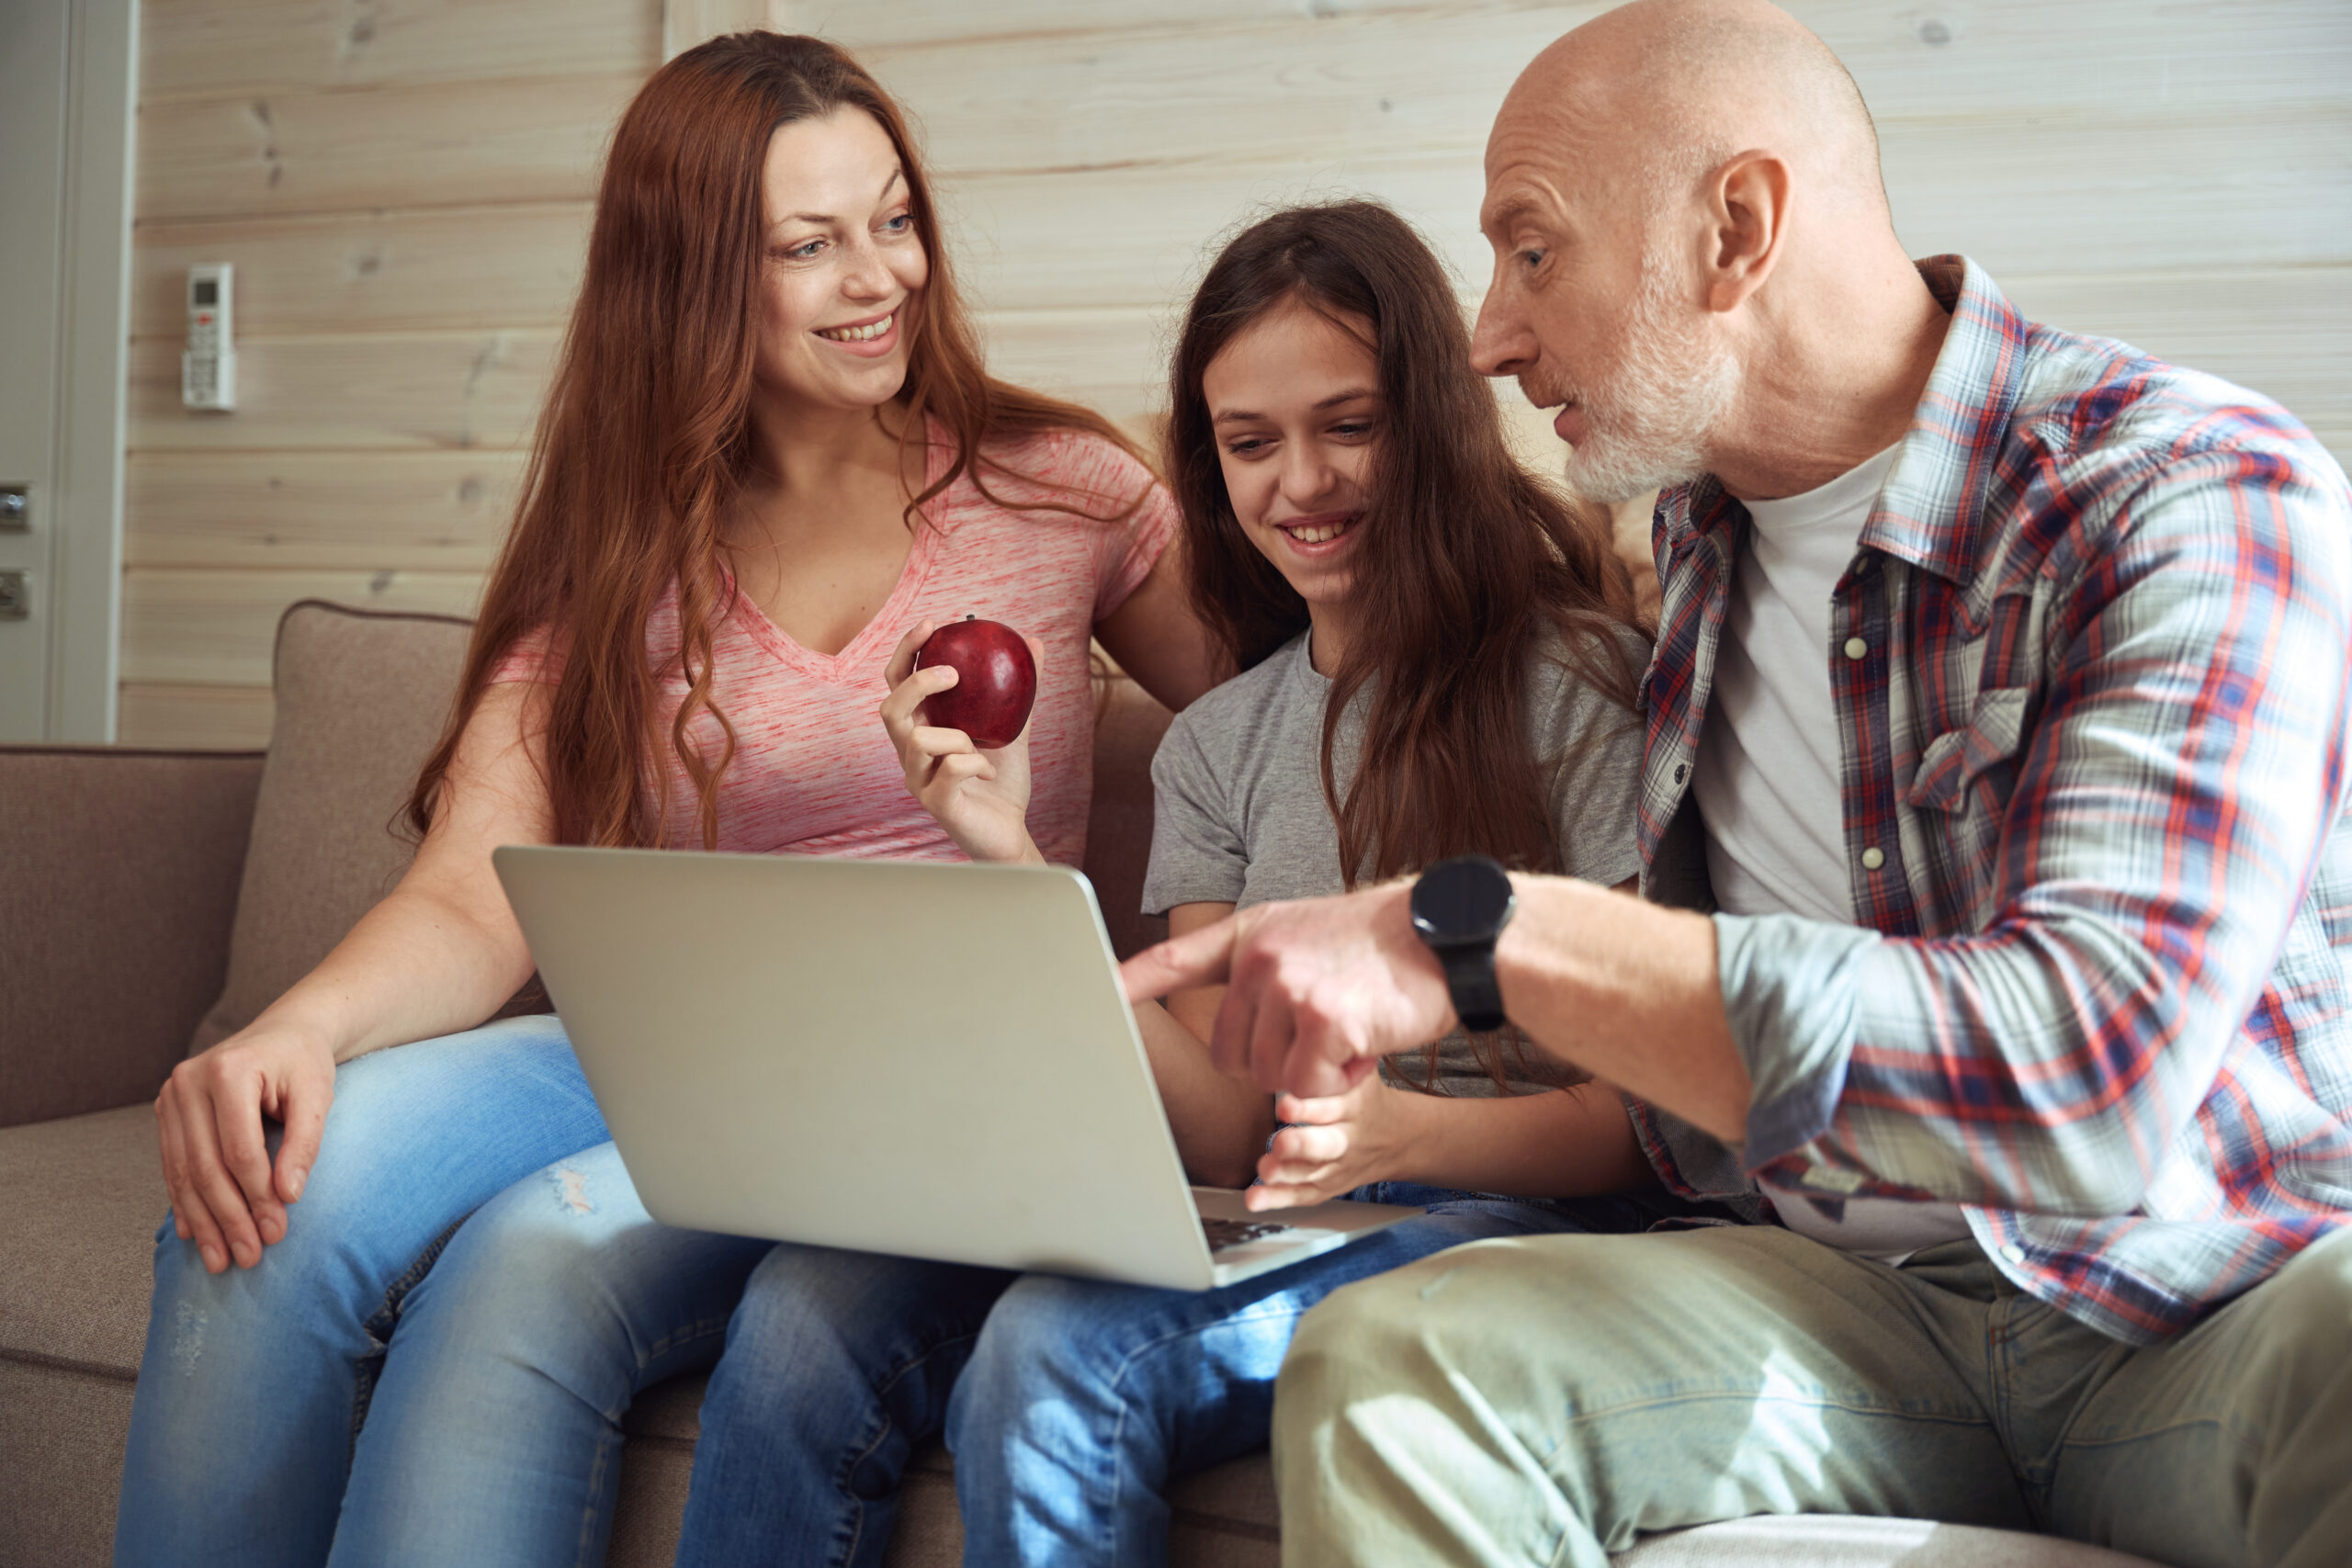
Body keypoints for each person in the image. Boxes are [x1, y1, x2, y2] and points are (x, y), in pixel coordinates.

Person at [1121, 4, 2352, 1566]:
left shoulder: (2181, 494)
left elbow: (2089, 1082)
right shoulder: (1697, 542)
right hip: (1846, 1314)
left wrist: (1486, 934)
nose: (1492, 335)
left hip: (2200, 1298)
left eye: (1532, 250)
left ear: (1738, 227)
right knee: (1401, 1363)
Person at [113, 32, 1214, 1568]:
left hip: (913, 1083)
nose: (879, 275)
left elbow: (1295, 692)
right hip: (668, 1048)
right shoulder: (621, 541)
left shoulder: (1063, 489)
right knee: (268, 1197)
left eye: (894, 219)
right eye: (810, 245)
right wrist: (293, 1028)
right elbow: (469, 891)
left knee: (520, 1271)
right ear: (694, 276)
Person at [660, 198, 1685, 1568]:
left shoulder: (1572, 689)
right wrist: (1007, 857)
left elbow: (1657, 1124)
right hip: (1279, 1210)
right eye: (1251, 444)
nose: (1301, 483)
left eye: (1351, 425)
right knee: (799, 1309)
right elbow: (1220, 1129)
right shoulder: (1216, 747)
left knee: (1051, 1353)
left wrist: (1405, 1136)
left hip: (1509, 1216)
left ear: (1432, 421)